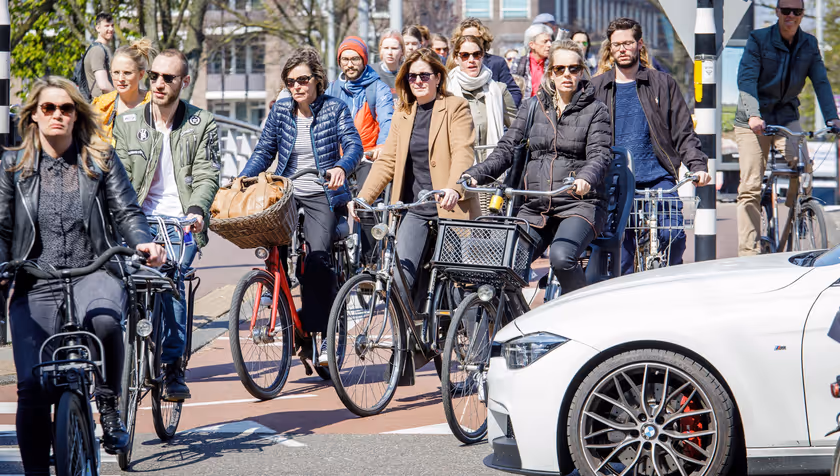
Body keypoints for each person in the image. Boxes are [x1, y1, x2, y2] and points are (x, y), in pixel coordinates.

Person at [0, 76, 165, 471]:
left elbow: (126, 212)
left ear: (77, 115)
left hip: (94, 268)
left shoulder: (100, 159)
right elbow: (2, 229)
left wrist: (144, 242)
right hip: (36, 279)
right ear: (34, 115)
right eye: (48, 108)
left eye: (66, 108)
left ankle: (108, 404)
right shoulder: (11, 165)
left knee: (104, 321)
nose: (57, 114)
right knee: (32, 387)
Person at [240, 47, 363, 365]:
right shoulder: (281, 111)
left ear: (317, 80)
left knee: (317, 260)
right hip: (287, 192)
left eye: (303, 79)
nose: (296, 86)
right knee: (271, 246)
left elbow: (353, 145)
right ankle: (278, 298)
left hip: (323, 192)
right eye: (290, 81)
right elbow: (264, 151)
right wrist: (243, 178)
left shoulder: (334, 108)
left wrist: (341, 167)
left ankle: (322, 333)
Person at [112, 49, 221, 401]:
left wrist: (197, 211)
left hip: (181, 221)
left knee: (171, 280)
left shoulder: (202, 123)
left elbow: (207, 174)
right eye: (154, 76)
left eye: (168, 78)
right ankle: (120, 358)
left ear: (184, 82)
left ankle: (173, 366)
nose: (158, 83)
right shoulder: (128, 123)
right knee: (121, 280)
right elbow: (118, 177)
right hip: (139, 219)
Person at [463, 40, 612, 295]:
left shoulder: (596, 110)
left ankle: (580, 307)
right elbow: (507, 148)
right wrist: (477, 173)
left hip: (578, 204)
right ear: (550, 72)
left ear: (582, 72)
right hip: (535, 206)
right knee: (505, 260)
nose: (566, 74)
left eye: (574, 69)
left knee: (562, 257)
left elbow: (600, 155)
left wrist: (586, 178)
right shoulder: (533, 106)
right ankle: (511, 313)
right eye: (560, 69)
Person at [350, 48, 480, 298]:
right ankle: (409, 325)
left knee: (457, 287)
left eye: (424, 75)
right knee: (400, 280)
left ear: (438, 78)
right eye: (412, 76)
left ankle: (461, 321)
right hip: (415, 207)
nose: (418, 81)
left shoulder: (455, 107)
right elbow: (388, 160)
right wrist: (363, 198)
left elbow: (463, 152)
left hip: (449, 205)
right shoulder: (403, 113)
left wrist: (454, 188)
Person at [590, 18, 711, 274]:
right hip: (614, 181)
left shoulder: (662, 83)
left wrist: (697, 165)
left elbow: (683, 131)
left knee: (672, 236)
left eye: (628, 43)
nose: (622, 49)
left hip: (658, 178)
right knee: (620, 258)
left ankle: (670, 283)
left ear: (639, 44)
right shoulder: (596, 87)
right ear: (610, 48)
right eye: (616, 45)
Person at [735, 0, 839, 256]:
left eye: (797, 11)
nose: (791, 15)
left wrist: (833, 119)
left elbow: (821, 81)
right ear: (777, 12)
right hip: (753, 118)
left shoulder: (809, 44)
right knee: (750, 186)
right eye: (785, 10)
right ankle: (748, 252)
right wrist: (753, 115)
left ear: (802, 14)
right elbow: (746, 79)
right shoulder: (758, 39)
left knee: (803, 167)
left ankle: (799, 211)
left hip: (786, 116)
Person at [447, 35, 517, 161]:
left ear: (482, 56)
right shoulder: (446, 92)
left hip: (493, 168)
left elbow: (517, 130)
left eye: (476, 54)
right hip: (459, 167)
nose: (471, 60)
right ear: (456, 58)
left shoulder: (499, 90)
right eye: (465, 55)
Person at [326, 36, 394, 160]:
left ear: (364, 60)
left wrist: (382, 145)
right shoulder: (332, 89)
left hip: (367, 157)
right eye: (345, 59)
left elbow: (386, 120)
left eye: (355, 59)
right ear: (339, 62)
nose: (350, 65)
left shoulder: (378, 88)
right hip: (337, 158)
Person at [91, 38, 155, 140]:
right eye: (116, 72)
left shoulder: (154, 103)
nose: (121, 79)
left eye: (127, 73)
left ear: (141, 74)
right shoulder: (102, 106)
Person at [452, 18, 523, 107]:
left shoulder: (496, 63)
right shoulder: (452, 63)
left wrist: (502, 111)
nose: (472, 40)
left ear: (483, 39)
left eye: (476, 38)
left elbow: (514, 92)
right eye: (466, 37)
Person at [513, 24, 553, 98]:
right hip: (525, 103)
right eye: (545, 41)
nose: (549, 45)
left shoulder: (553, 63)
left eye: (550, 41)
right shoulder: (519, 62)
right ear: (532, 44)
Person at [84, 12, 115, 100]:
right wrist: (119, 98)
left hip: (105, 101)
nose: (111, 29)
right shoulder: (97, 50)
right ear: (98, 28)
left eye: (112, 25)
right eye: (107, 26)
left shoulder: (105, 48)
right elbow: (103, 85)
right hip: (99, 103)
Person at [372, 30, 403, 97]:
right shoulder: (370, 72)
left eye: (394, 48)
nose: (390, 52)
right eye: (386, 48)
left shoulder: (408, 73)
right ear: (381, 50)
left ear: (402, 51)